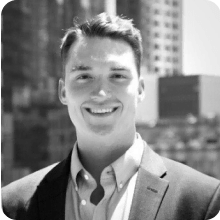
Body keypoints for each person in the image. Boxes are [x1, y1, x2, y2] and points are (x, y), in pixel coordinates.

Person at [1, 13, 220, 220]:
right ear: (63, 91)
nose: (101, 93)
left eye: (117, 75)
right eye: (84, 76)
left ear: (141, 89)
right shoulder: (11, 205)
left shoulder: (204, 201)